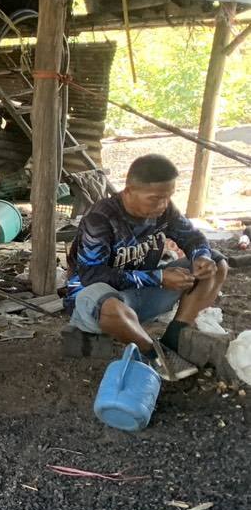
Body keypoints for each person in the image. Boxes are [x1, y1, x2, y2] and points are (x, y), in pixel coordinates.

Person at [64, 153, 228, 381]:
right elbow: (92, 275)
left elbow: (192, 237)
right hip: (98, 304)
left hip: (141, 295)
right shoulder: (100, 218)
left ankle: (174, 337)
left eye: (168, 196)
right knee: (106, 302)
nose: (163, 204)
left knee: (217, 263)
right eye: (155, 198)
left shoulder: (164, 210)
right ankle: (154, 354)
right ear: (129, 191)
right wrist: (158, 277)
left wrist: (201, 257)